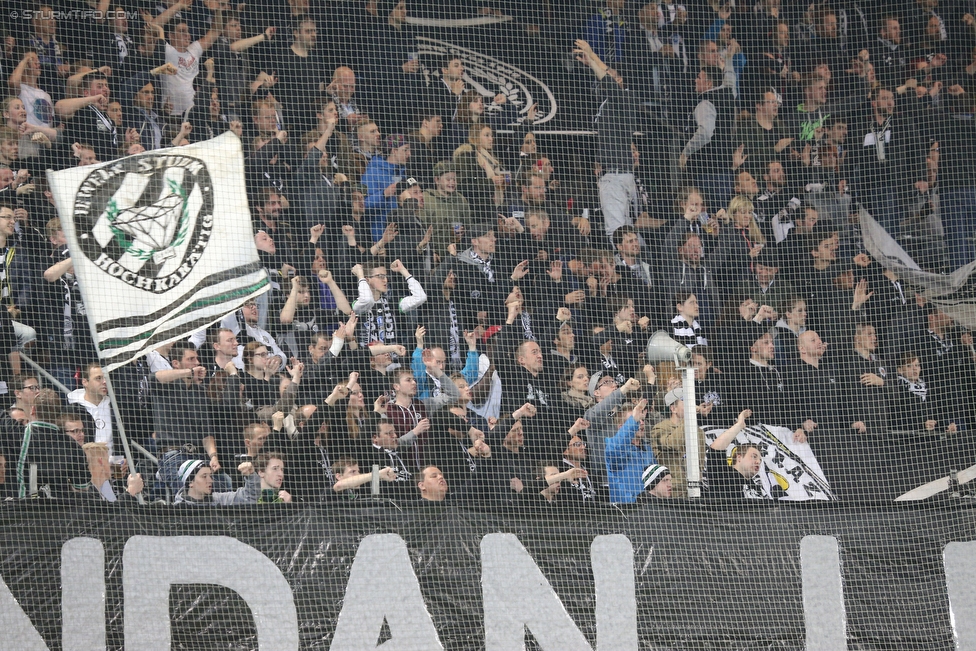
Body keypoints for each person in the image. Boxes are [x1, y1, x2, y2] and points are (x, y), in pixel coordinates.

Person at [572, 40, 638, 239]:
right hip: (619, 175)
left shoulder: (622, 98)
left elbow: (608, 78)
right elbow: (608, 74)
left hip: (616, 176)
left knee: (616, 232)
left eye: (615, 76)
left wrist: (591, 57)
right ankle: (632, 267)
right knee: (627, 232)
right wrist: (591, 58)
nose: (607, 75)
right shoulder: (613, 103)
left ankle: (621, 266)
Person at [649, 387, 705, 498]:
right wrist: (688, 417)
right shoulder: (659, 429)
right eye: (686, 403)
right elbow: (673, 443)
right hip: (671, 492)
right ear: (673, 408)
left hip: (693, 490)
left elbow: (700, 461)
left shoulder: (698, 431)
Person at [605, 399, 657, 504]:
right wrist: (633, 420)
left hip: (650, 509)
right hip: (626, 510)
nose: (641, 423)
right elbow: (617, 447)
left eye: (642, 420)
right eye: (637, 420)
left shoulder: (647, 450)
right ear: (621, 427)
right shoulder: (612, 446)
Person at [704, 409, 763, 499]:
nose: (758, 461)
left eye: (760, 460)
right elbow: (715, 449)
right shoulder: (724, 475)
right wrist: (739, 425)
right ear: (739, 457)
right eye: (754, 457)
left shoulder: (757, 487)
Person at [67, 362, 113, 458]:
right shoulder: (73, 409)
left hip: (114, 466)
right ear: (85, 382)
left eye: (106, 378)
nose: (104, 382)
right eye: (98, 378)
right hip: (84, 466)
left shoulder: (114, 407)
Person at [173, 458, 260, 505]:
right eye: (204, 476)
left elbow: (248, 498)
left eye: (210, 476)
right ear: (190, 482)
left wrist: (251, 475)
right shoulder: (179, 510)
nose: (210, 480)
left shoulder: (220, 500)